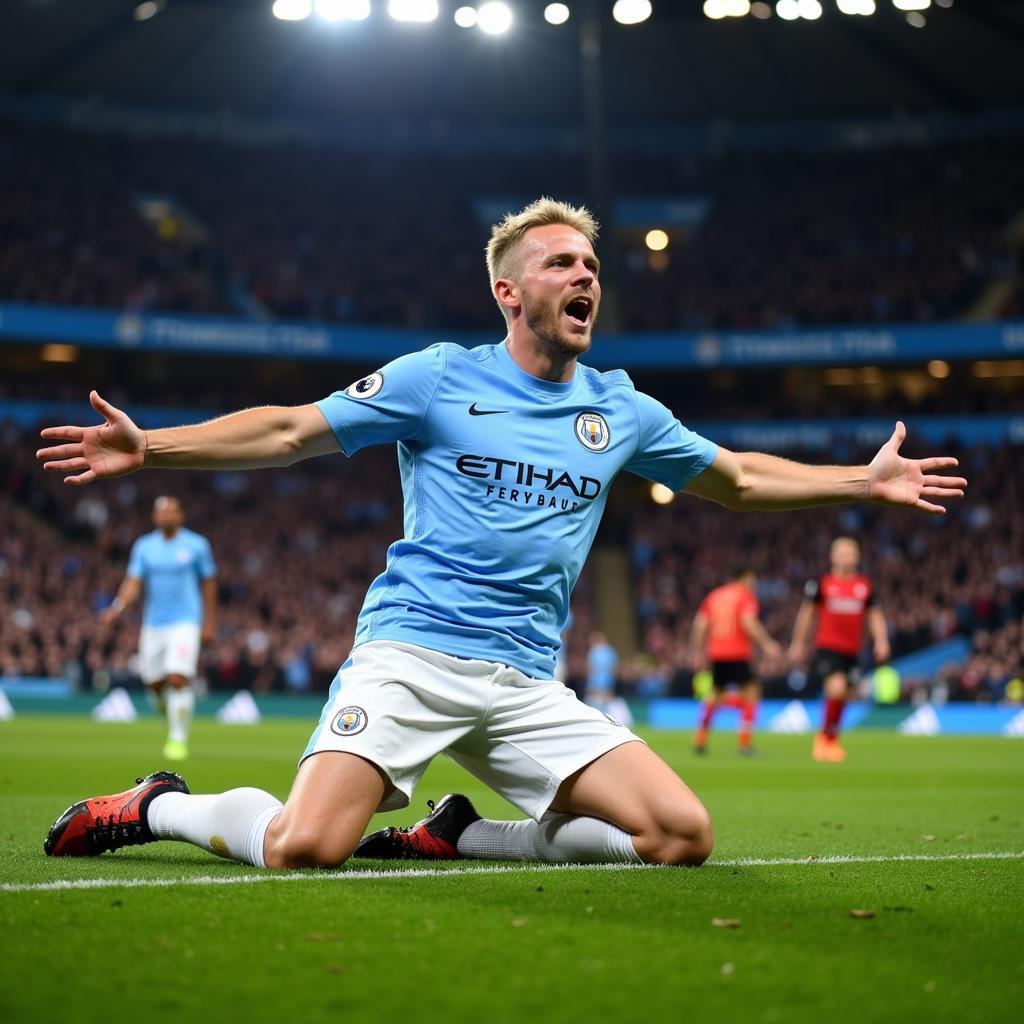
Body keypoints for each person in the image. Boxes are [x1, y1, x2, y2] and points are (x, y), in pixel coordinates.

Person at [38, 198, 965, 870]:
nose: (585, 277)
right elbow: (289, 429)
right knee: (305, 846)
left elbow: (738, 478)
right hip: (414, 653)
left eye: (592, 267)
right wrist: (152, 445)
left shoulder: (621, 409)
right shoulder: (439, 378)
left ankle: (465, 834)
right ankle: (160, 809)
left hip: (526, 682)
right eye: (562, 264)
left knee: (681, 836)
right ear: (509, 292)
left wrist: (860, 481)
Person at [101, 495, 217, 761]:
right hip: (153, 623)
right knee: (154, 684)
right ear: (154, 517)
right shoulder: (144, 546)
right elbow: (133, 581)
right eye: (161, 512)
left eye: (171, 511)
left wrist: (209, 623)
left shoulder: (196, 545)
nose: (166, 515)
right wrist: (118, 607)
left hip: (186, 621)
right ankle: (175, 717)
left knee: (177, 678)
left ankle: (178, 739)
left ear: (181, 515)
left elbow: (210, 584)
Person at [788, 536, 889, 762]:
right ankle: (825, 740)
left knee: (846, 694)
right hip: (827, 647)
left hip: (852, 651)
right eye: (843, 553)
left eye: (851, 553)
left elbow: (875, 615)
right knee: (836, 688)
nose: (847, 557)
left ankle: (829, 737)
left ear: (858, 557)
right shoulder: (822, 584)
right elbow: (806, 614)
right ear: (833, 557)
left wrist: (882, 640)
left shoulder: (864, 586)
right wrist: (798, 643)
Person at [690, 567, 781, 756]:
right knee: (752, 693)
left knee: (715, 694)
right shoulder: (745, 596)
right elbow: (748, 621)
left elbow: (700, 624)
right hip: (737, 653)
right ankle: (745, 744)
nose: (754, 584)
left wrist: (698, 651)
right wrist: (766, 643)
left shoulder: (714, 596)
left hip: (716, 653)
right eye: (752, 580)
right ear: (745, 577)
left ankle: (700, 739)